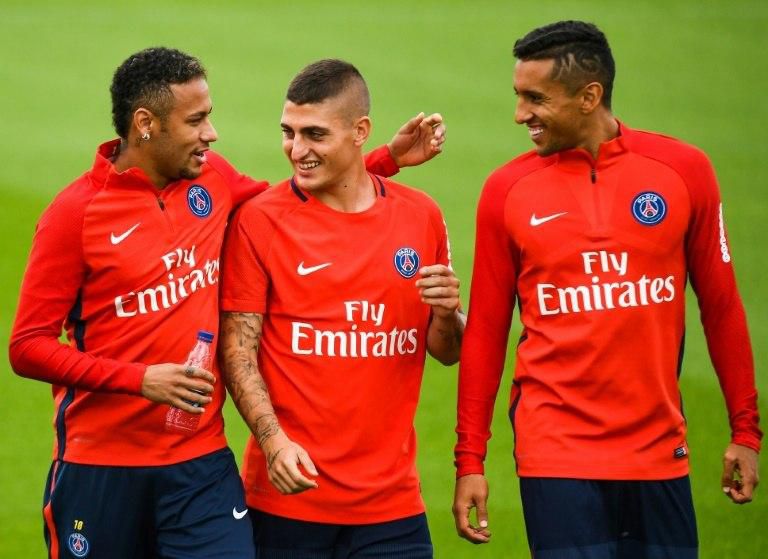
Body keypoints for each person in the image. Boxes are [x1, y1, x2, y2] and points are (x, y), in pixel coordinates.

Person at [8, 46, 446, 559]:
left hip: (200, 462)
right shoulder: (74, 215)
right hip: (102, 463)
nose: (211, 134)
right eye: (196, 120)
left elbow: (291, 205)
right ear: (145, 124)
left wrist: (382, 161)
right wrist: (140, 379)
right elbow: (27, 347)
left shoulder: (212, 178)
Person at [452, 20, 761, 557]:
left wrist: (745, 431)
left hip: (658, 450)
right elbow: (485, 332)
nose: (519, 114)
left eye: (535, 98)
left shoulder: (683, 172)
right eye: (517, 96)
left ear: (589, 97)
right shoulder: (507, 191)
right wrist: (470, 461)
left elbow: (722, 306)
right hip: (556, 454)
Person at [219, 58, 464, 558]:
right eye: (288, 132)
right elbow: (238, 353)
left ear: (361, 131)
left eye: (314, 134)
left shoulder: (421, 217)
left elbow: (447, 350)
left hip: (393, 508)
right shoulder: (260, 221)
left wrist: (446, 314)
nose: (297, 150)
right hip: (288, 501)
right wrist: (274, 444)